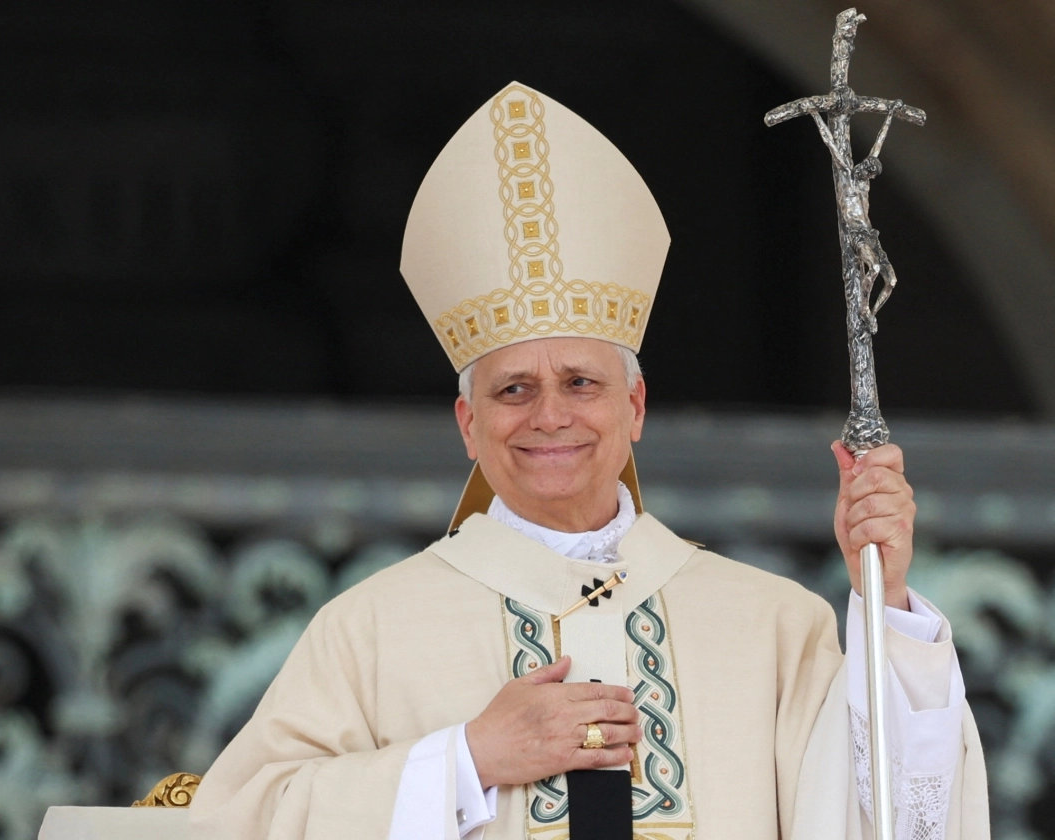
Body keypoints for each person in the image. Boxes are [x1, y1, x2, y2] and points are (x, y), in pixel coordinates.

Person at [188, 82, 989, 840]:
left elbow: (896, 818)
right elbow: (237, 821)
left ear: (633, 407)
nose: (550, 416)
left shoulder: (774, 628)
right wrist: (467, 759)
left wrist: (886, 605)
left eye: (580, 382)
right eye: (513, 390)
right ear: (469, 424)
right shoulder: (368, 631)